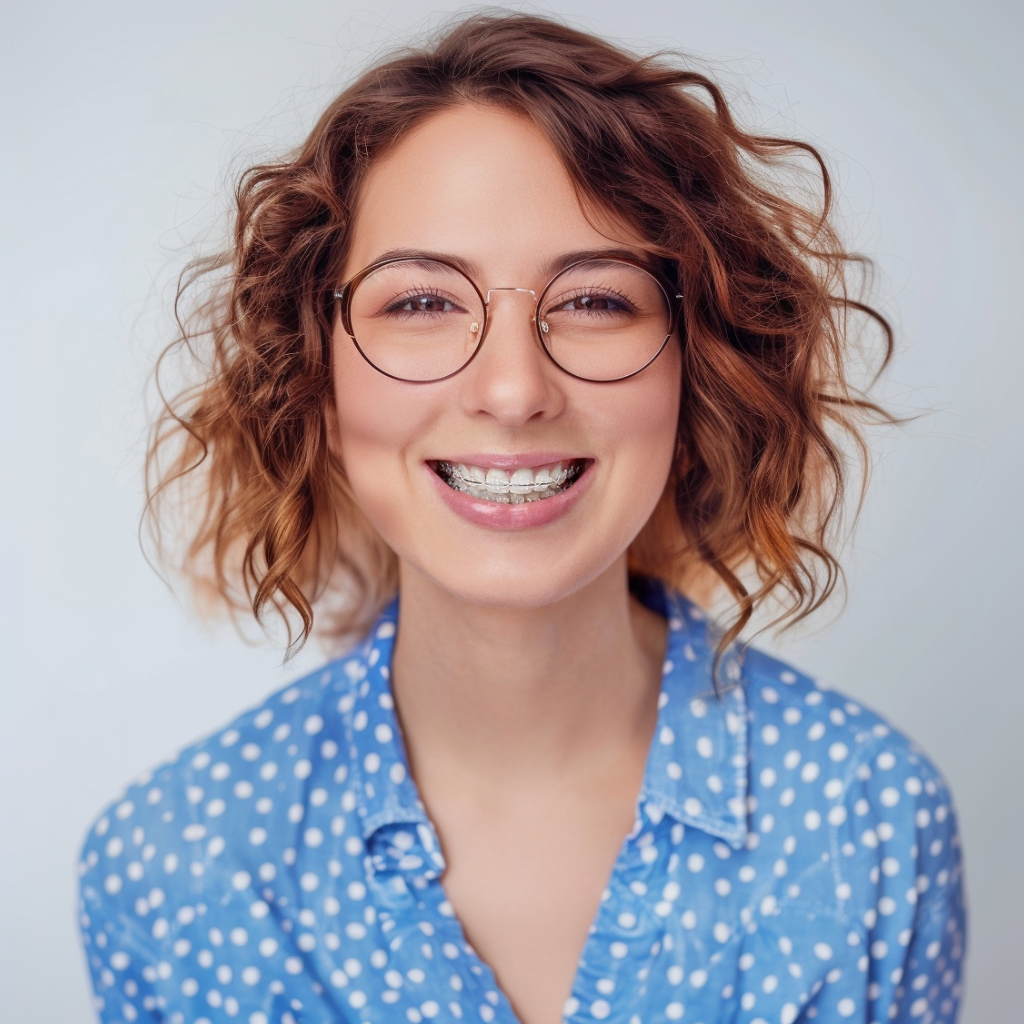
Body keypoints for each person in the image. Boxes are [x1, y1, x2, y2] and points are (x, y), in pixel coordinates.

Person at [76, 11, 967, 1024]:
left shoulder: (871, 824)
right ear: (315, 377)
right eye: (421, 302)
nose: (512, 390)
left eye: (594, 300)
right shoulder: (171, 868)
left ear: (699, 373)